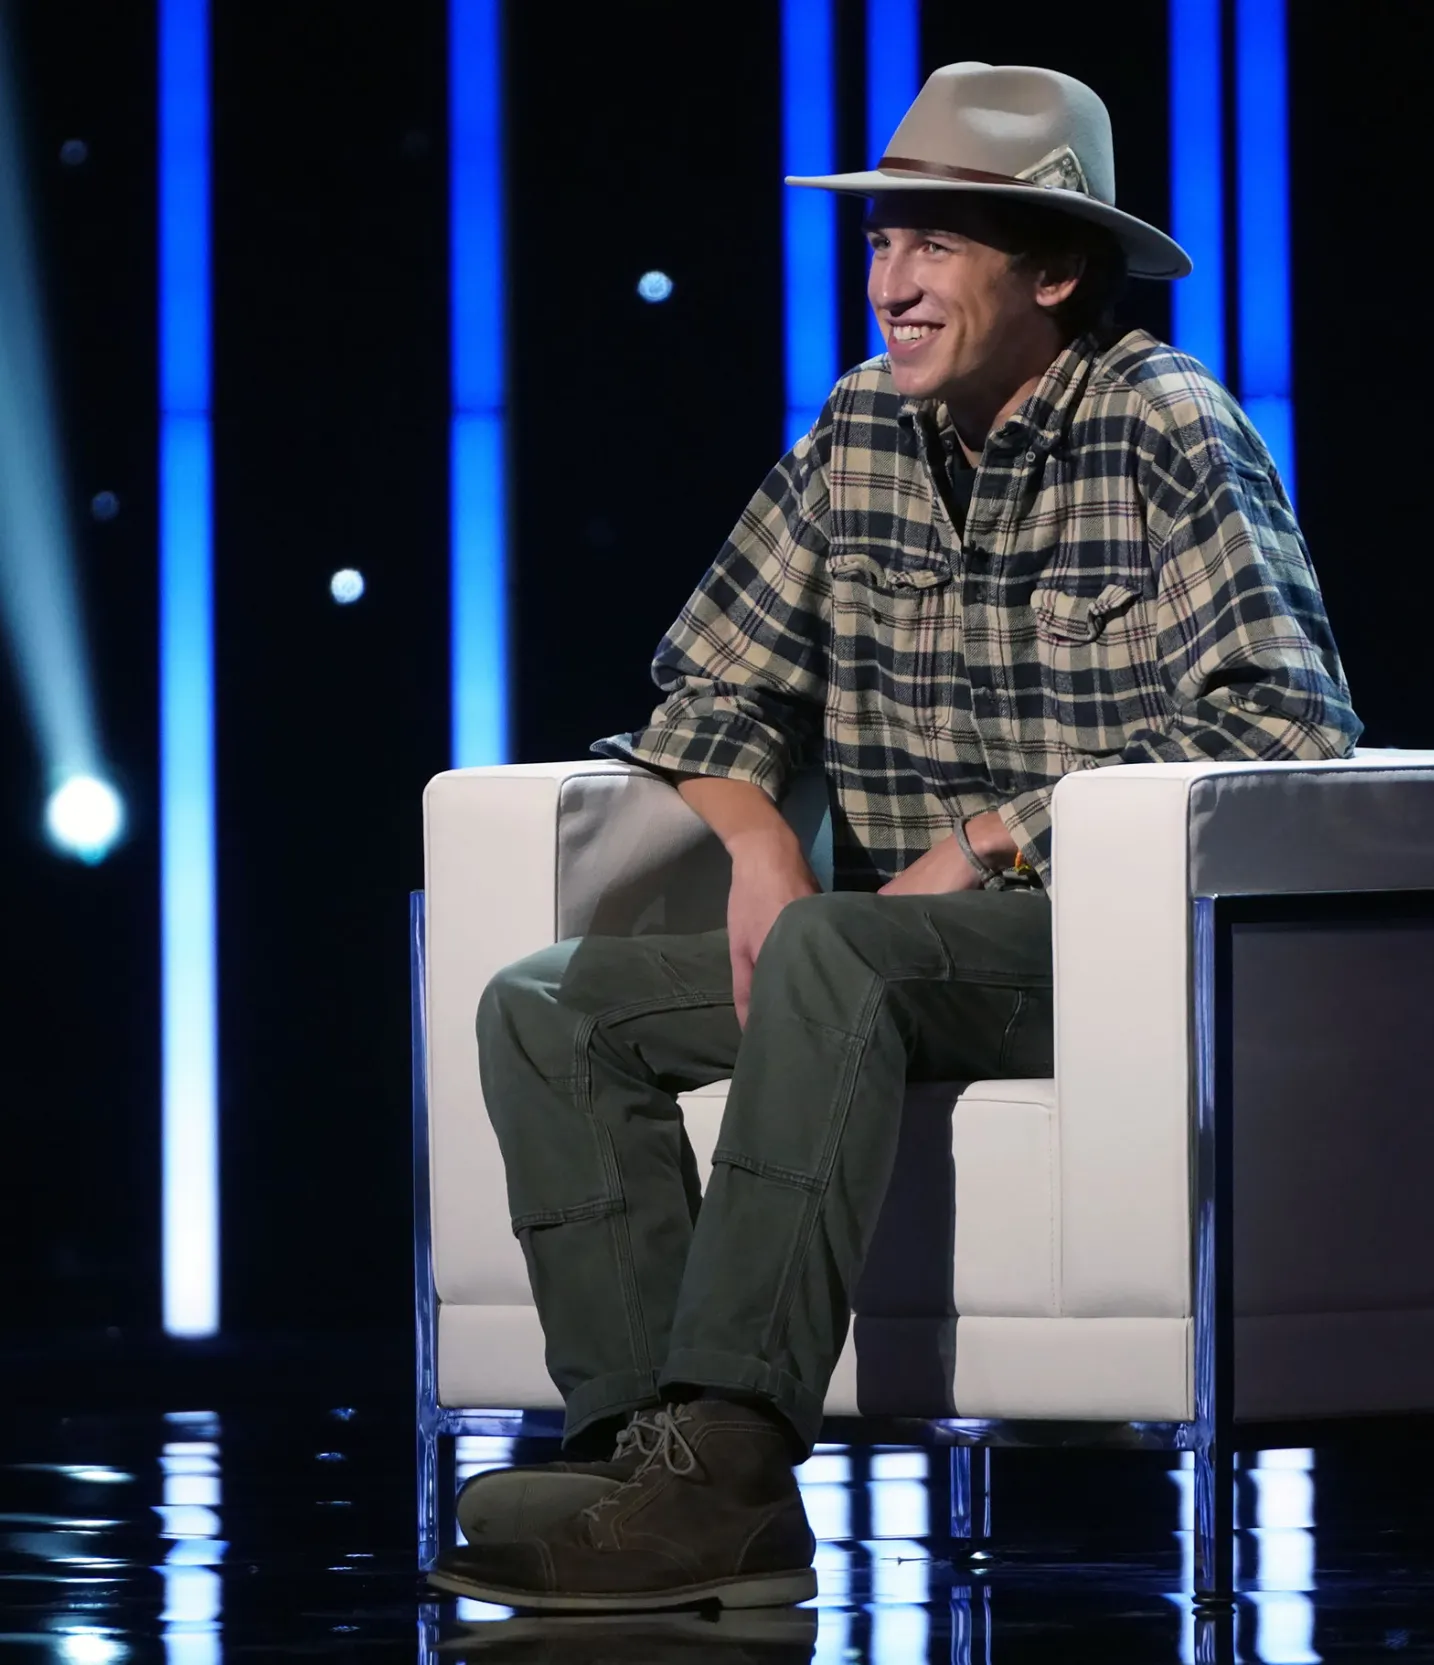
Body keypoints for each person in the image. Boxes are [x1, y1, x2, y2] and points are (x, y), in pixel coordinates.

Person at [426, 60, 1361, 1613]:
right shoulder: (863, 425)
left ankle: (728, 1462)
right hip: (867, 955)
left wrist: (995, 841)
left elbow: (1286, 724)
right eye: (881, 242)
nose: (893, 281)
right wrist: (757, 848)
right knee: (547, 1007)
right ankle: (639, 1459)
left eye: (935, 242)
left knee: (838, 952)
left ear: (1052, 270)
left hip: (1096, 956)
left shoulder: (1164, 425)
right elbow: (712, 688)